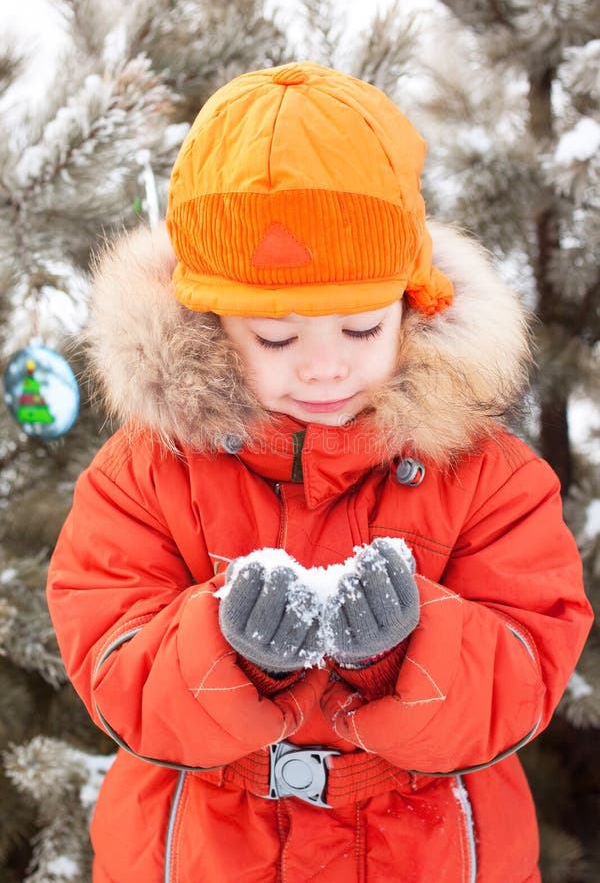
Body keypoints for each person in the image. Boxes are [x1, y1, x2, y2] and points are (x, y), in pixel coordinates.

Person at [47, 61, 592, 883]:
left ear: (415, 305)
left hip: (428, 847)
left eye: (362, 329)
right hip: (201, 847)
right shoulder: (145, 474)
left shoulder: (485, 475)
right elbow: (110, 659)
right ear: (205, 321)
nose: (326, 370)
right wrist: (230, 655)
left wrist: (407, 653)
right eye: (277, 338)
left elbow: (531, 662)